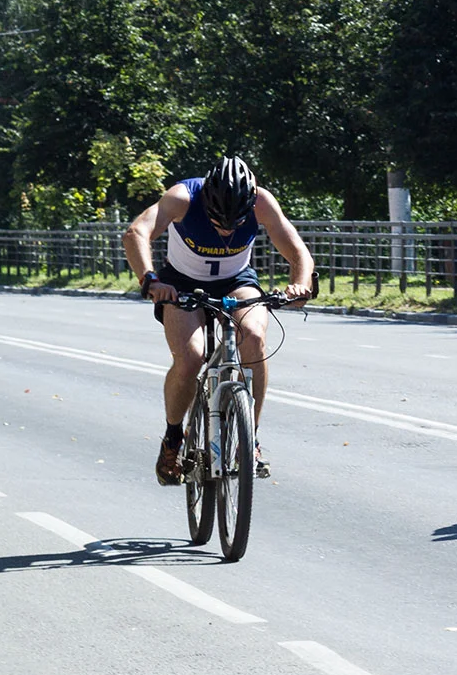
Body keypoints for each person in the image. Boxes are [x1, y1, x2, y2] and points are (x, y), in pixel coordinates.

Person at [121, 157, 316, 485]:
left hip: (236, 280)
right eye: (217, 221)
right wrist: (150, 279)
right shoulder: (182, 197)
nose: (226, 230)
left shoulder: (262, 202)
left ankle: (250, 440)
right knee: (191, 357)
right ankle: (173, 438)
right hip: (181, 283)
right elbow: (136, 233)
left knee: (254, 337)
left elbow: (298, 251)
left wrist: (300, 284)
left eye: (234, 223)